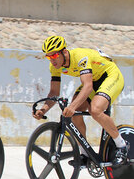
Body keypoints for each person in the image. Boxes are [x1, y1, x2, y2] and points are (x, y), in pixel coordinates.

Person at [33, 35, 129, 166]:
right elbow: (54, 93)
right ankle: (85, 154)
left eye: (54, 56)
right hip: (94, 80)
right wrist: (43, 110)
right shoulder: (55, 67)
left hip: (110, 76)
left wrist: (72, 106)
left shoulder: (80, 57)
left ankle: (122, 145)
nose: (52, 60)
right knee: (75, 113)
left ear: (64, 52)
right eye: (48, 57)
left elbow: (88, 86)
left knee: (95, 110)